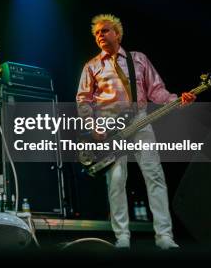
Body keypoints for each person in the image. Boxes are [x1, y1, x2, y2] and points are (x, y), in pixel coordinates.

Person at [76, 14, 196, 250]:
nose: (100, 35)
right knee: (117, 180)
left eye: (105, 30)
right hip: (109, 124)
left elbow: (157, 90)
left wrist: (178, 100)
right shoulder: (92, 66)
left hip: (140, 120)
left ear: (117, 34)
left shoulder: (138, 59)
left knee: (154, 175)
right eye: (97, 33)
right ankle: (122, 237)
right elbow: (83, 99)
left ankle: (164, 236)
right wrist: (93, 126)